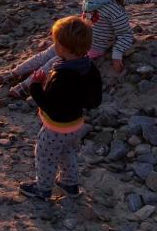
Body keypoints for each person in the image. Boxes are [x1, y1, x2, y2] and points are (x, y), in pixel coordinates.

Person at [0, 0, 133, 97]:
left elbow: (126, 33)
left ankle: (25, 86)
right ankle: (14, 73)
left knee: (53, 62)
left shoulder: (113, 9)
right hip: (78, 38)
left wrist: (117, 54)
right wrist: (67, 30)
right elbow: (85, 21)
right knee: (46, 54)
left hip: (90, 47)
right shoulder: (91, 1)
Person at [19, 15, 103, 200]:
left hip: (56, 127)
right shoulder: (89, 67)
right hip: (76, 125)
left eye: (55, 43)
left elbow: (49, 105)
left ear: (62, 48)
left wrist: (35, 85)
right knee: (68, 153)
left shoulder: (64, 75)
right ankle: (69, 184)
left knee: (45, 157)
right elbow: (95, 100)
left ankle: (43, 188)